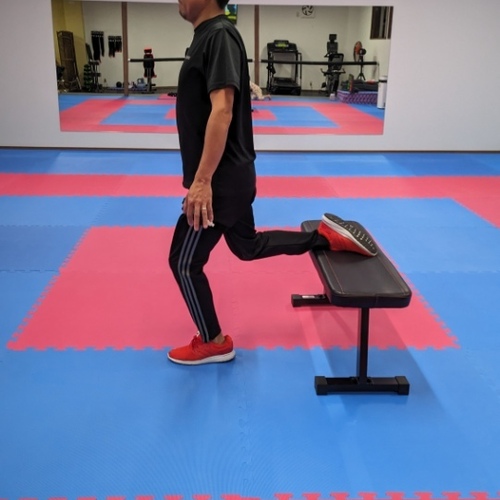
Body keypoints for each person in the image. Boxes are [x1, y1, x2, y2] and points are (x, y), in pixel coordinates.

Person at [168, 0, 377, 365]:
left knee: (184, 262)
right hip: (231, 176)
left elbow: (223, 109)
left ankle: (214, 341)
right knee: (247, 246)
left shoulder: (218, 35)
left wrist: (202, 181)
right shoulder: (209, 36)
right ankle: (324, 237)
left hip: (221, 181)